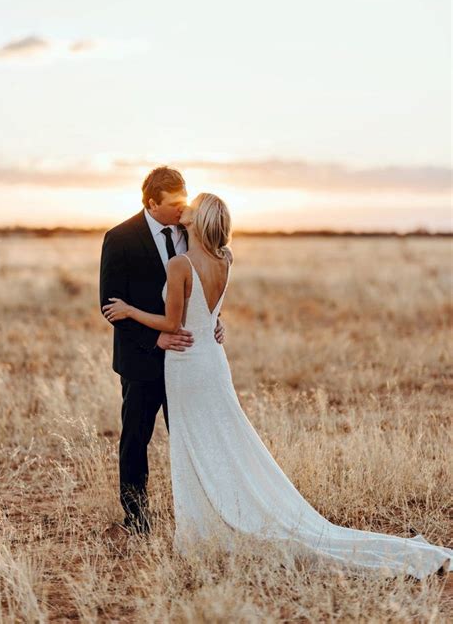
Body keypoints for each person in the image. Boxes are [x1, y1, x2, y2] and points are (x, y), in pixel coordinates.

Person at [103, 192, 452, 580]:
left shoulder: (180, 263)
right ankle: (219, 515)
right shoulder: (225, 258)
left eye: (191, 204)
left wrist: (131, 311)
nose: (184, 206)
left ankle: (206, 528)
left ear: (198, 220)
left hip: (186, 365)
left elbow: (173, 325)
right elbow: (207, 310)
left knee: (196, 443)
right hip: (213, 363)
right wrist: (210, 322)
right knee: (220, 441)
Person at [99, 167, 225, 535]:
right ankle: (137, 519)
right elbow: (109, 305)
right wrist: (155, 339)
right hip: (142, 360)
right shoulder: (120, 238)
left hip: (187, 360)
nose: (181, 209)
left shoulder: (191, 232)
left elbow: (203, 284)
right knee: (136, 439)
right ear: (152, 203)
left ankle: (203, 513)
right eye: (173, 204)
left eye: (184, 201)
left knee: (192, 436)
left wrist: (215, 318)